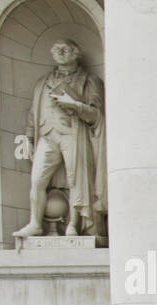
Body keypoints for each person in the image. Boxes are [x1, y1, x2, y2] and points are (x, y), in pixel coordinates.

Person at [14, 39, 106, 238]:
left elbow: (96, 115)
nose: (60, 53)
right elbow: (33, 114)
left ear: (76, 53)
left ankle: (73, 225)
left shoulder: (89, 80)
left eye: (65, 49)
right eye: (56, 50)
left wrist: (74, 105)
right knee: (37, 180)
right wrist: (29, 138)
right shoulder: (43, 82)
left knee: (76, 181)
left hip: (73, 135)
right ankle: (36, 223)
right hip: (47, 136)